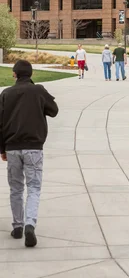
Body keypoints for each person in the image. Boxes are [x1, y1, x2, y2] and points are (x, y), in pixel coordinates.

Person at [0, 60, 59, 248]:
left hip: (12, 148)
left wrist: (2, 149)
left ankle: (17, 226)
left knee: (15, 188)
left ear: (14, 75)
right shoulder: (39, 91)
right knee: (33, 187)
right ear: (31, 74)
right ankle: (29, 224)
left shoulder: (6, 94)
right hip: (34, 147)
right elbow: (54, 110)